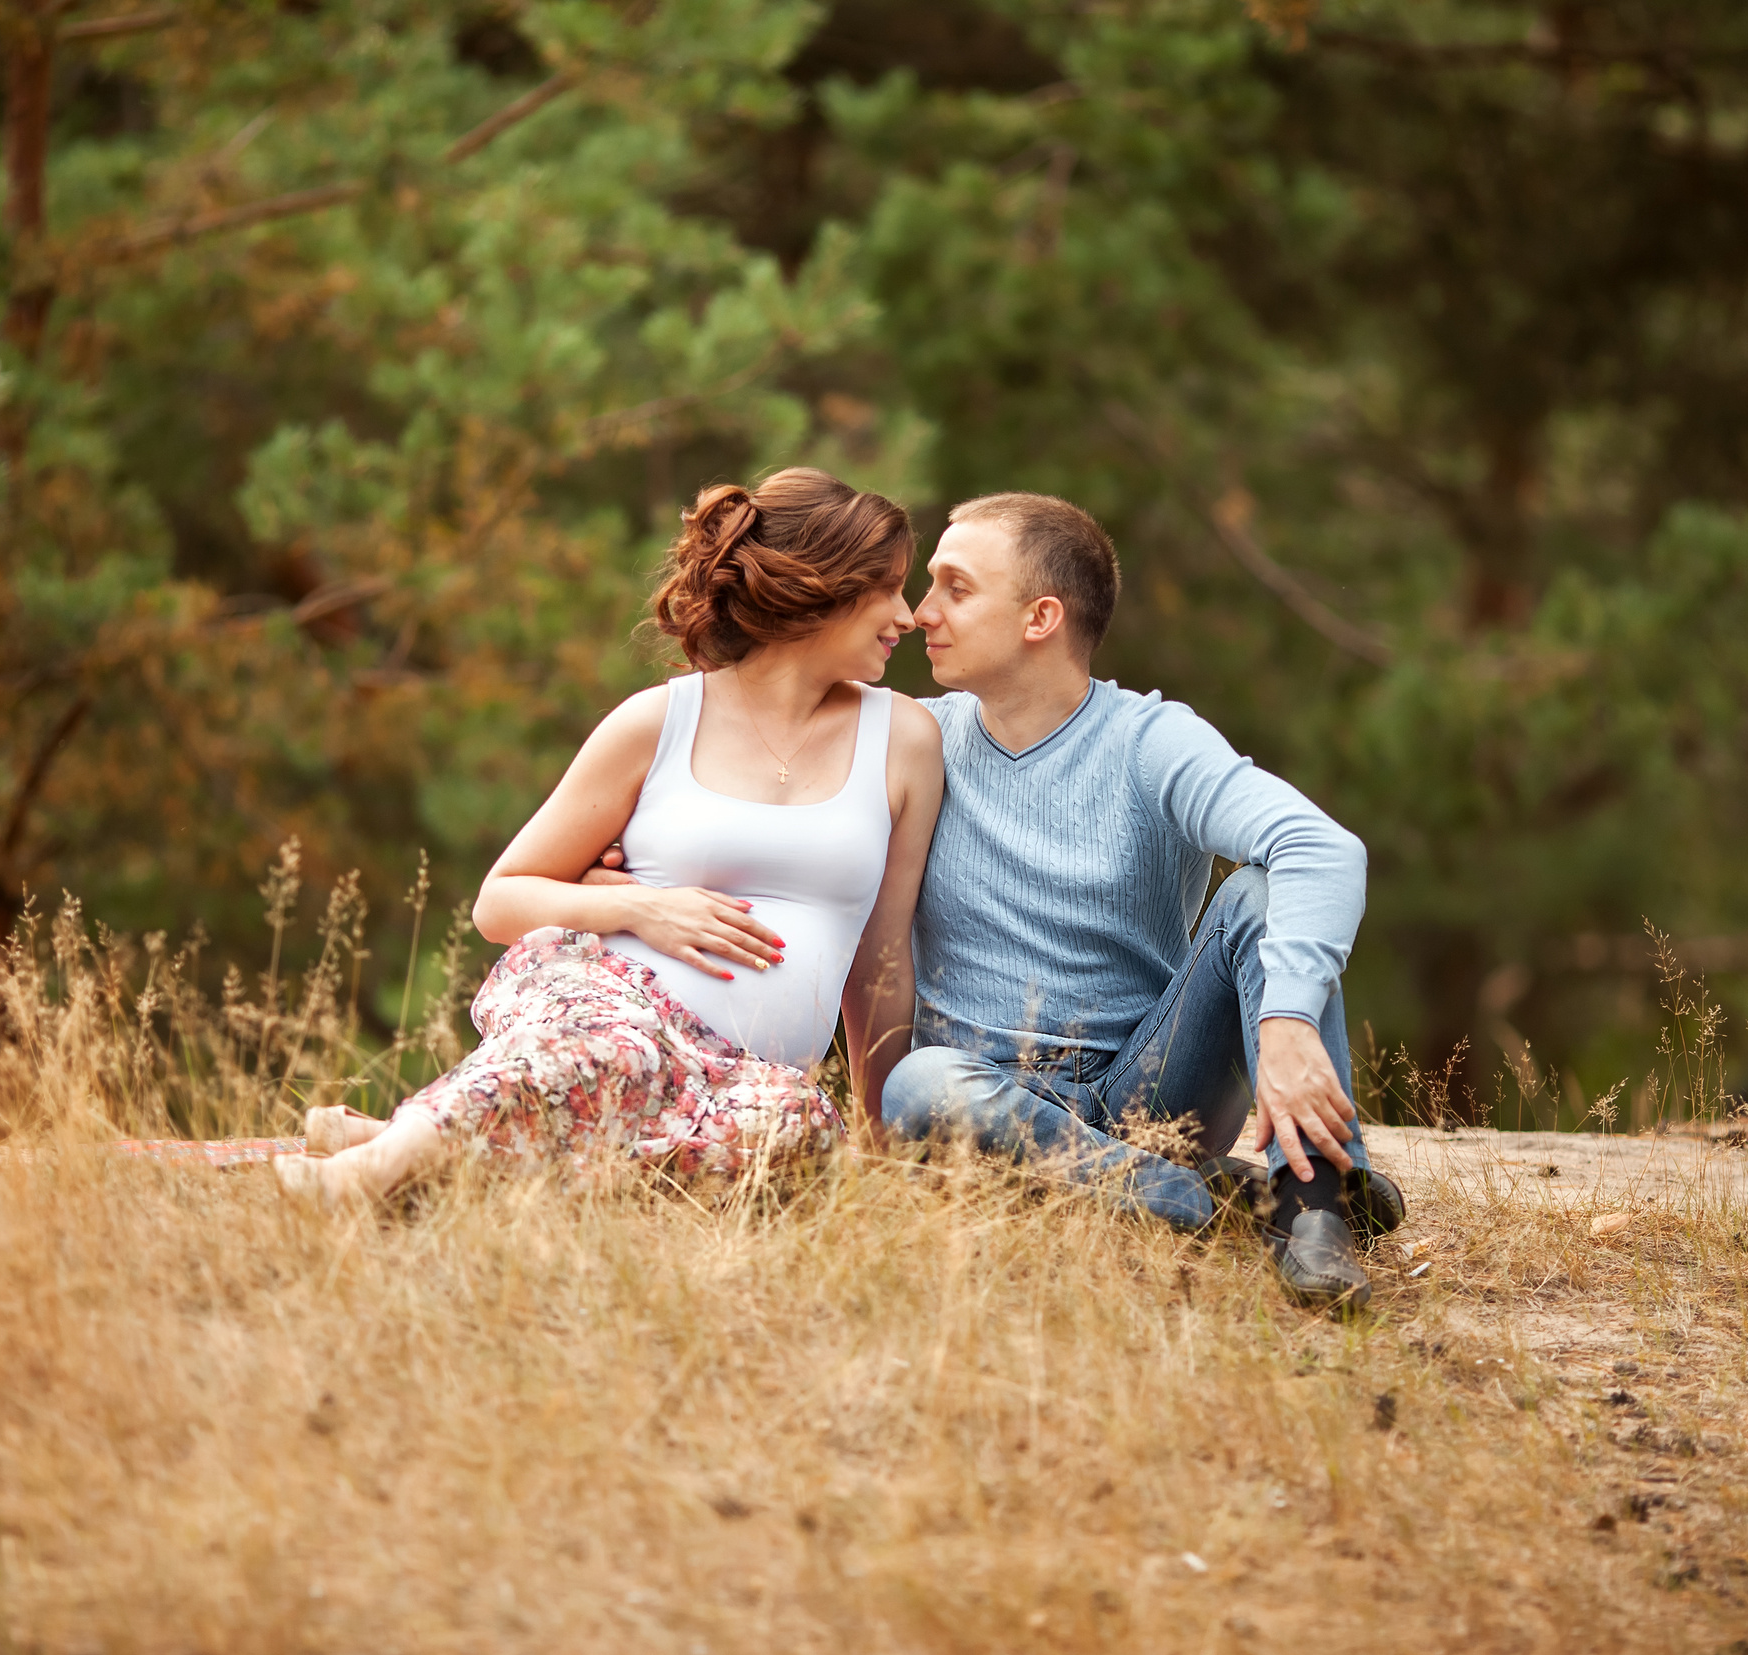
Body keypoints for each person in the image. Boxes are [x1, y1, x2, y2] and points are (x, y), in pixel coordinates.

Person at [272, 468, 944, 1206]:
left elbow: (881, 956)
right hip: (610, 998)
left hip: (746, 1074)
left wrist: (880, 1144)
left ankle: (406, 1137)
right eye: (886, 588)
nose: (906, 616)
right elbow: (500, 900)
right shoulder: (657, 722)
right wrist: (640, 910)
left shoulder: (904, 739)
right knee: (612, 1053)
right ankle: (354, 1181)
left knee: (791, 1133)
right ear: (819, 584)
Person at [877, 493, 1398, 1309]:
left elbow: (1322, 848)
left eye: (954, 586)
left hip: (1149, 1086)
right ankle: (1203, 1200)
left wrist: (1288, 1018)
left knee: (1260, 895)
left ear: (1039, 616)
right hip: (983, 1092)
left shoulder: (1150, 740)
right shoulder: (913, 737)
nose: (919, 611)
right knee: (919, 1084)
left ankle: (1314, 1208)